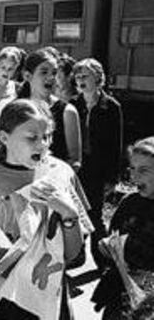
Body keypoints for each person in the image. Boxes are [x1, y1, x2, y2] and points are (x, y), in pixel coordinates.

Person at [0, 99, 88, 319]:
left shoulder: (61, 174)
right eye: (32, 137)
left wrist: (69, 214)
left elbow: (73, 253)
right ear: (4, 138)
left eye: (47, 136)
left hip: (44, 294)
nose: (42, 144)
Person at [92, 137, 154, 319]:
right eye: (132, 168)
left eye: (143, 170)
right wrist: (107, 247)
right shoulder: (129, 203)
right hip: (121, 294)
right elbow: (114, 236)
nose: (134, 177)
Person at [71, 58, 123, 271]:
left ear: (98, 79)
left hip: (97, 168)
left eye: (85, 76)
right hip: (77, 167)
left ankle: (103, 260)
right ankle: (77, 255)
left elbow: (115, 144)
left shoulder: (110, 106)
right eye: (78, 76)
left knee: (94, 215)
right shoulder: (74, 104)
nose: (81, 80)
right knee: (75, 210)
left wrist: (113, 178)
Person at [19, 49, 82, 171]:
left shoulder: (67, 112)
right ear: (27, 76)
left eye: (54, 73)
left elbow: (75, 161)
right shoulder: (16, 108)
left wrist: (50, 179)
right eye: (44, 72)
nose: (51, 77)